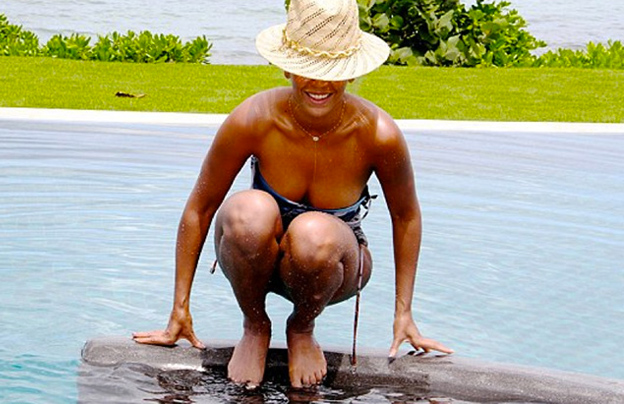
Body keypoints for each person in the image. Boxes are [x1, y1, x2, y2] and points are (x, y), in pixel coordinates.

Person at [133, 0, 453, 389]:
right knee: (245, 212)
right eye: (307, 69)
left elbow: (406, 216)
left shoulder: (377, 134)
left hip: (334, 266)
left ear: (352, 73)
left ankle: (302, 328)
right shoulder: (253, 119)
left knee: (313, 233)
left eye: (331, 72)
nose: (319, 84)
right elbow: (200, 208)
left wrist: (404, 314)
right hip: (256, 263)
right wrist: (179, 309)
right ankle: (255, 325)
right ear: (286, 67)